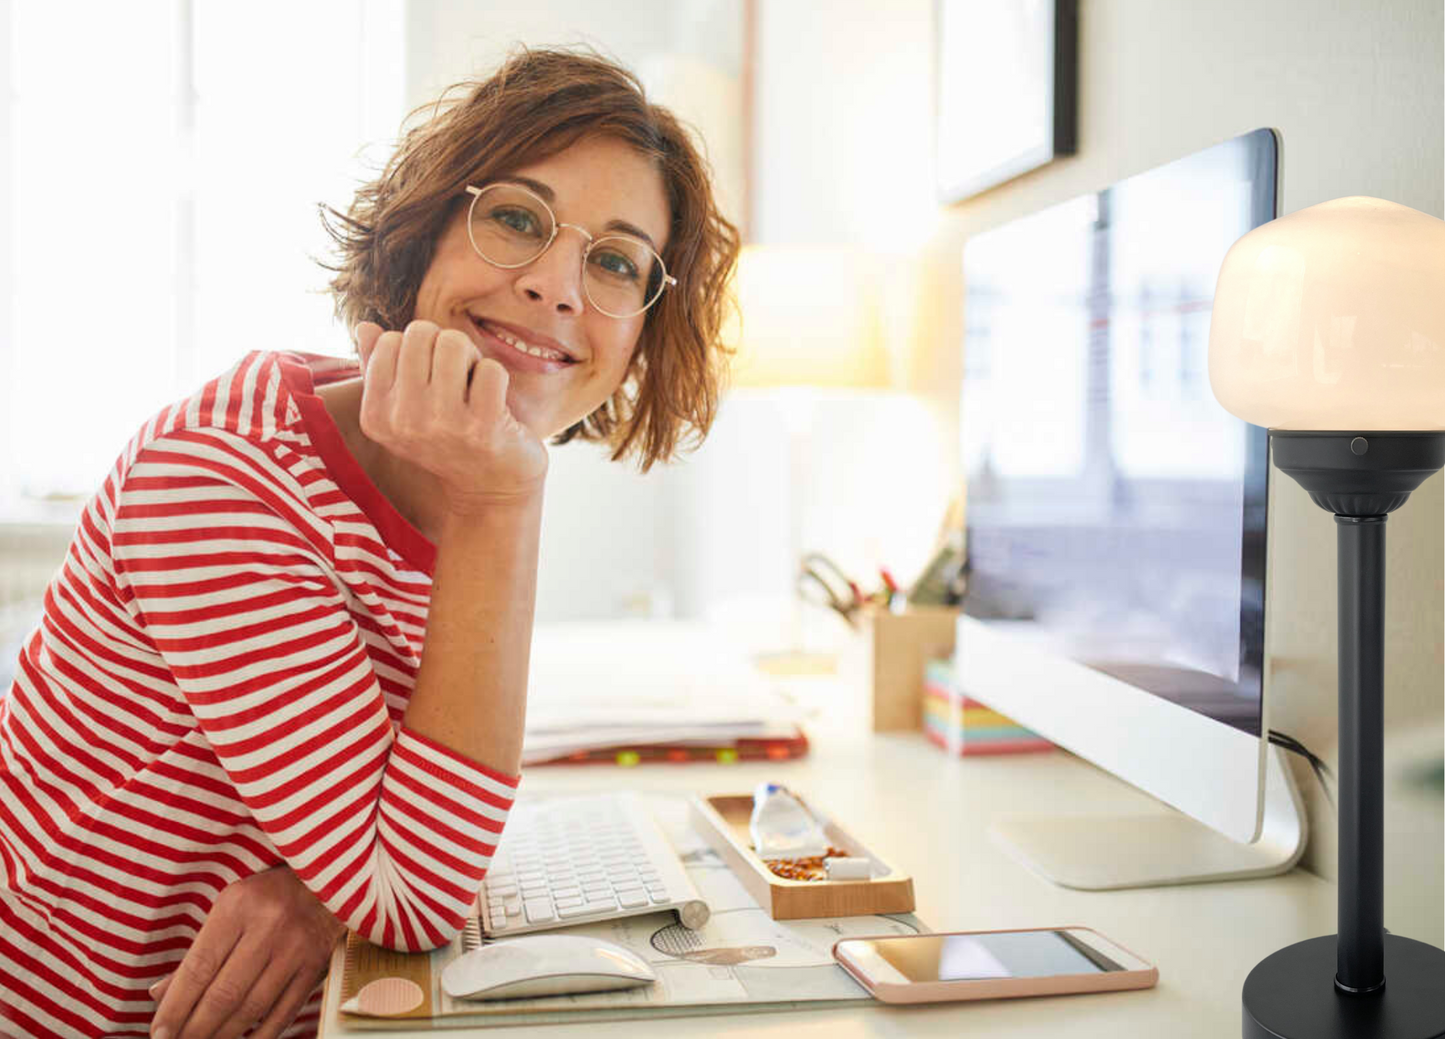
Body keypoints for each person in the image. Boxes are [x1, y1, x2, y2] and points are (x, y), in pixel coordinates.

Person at [0, 46, 739, 1039]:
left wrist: (324, 888)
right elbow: (412, 896)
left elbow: (418, 831)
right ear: (423, 234)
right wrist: (504, 506)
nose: (559, 286)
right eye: (516, 217)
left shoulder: (455, 464)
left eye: (613, 261)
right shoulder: (222, 476)